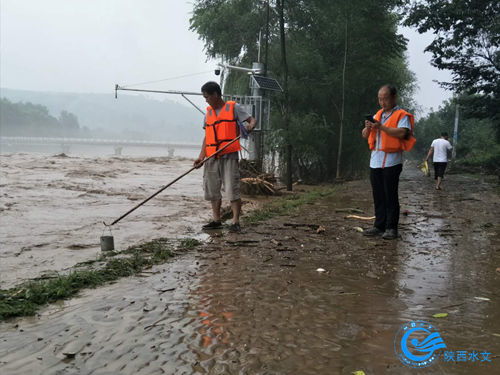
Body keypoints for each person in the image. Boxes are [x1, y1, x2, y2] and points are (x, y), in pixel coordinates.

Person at [194, 81, 257, 232]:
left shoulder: (233, 107)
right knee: (212, 190)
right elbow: (206, 138)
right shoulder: (208, 113)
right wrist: (200, 157)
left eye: (207, 96)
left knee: (231, 188)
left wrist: (250, 126)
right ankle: (216, 220)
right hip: (211, 157)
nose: (206, 100)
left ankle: (235, 221)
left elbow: (252, 120)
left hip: (229, 155)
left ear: (215, 94)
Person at [361, 85, 416, 240]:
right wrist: (368, 128)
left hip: (392, 161)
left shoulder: (401, 114)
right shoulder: (377, 115)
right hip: (376, 161)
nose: (382, 102)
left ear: (393, 97)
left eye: (385, 98)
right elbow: (365, 135)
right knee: (378, 195)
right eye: (380, 99)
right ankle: (379, 226)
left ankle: (391, 228)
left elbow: (404, 133)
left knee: (390, 195)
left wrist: (382, 127)